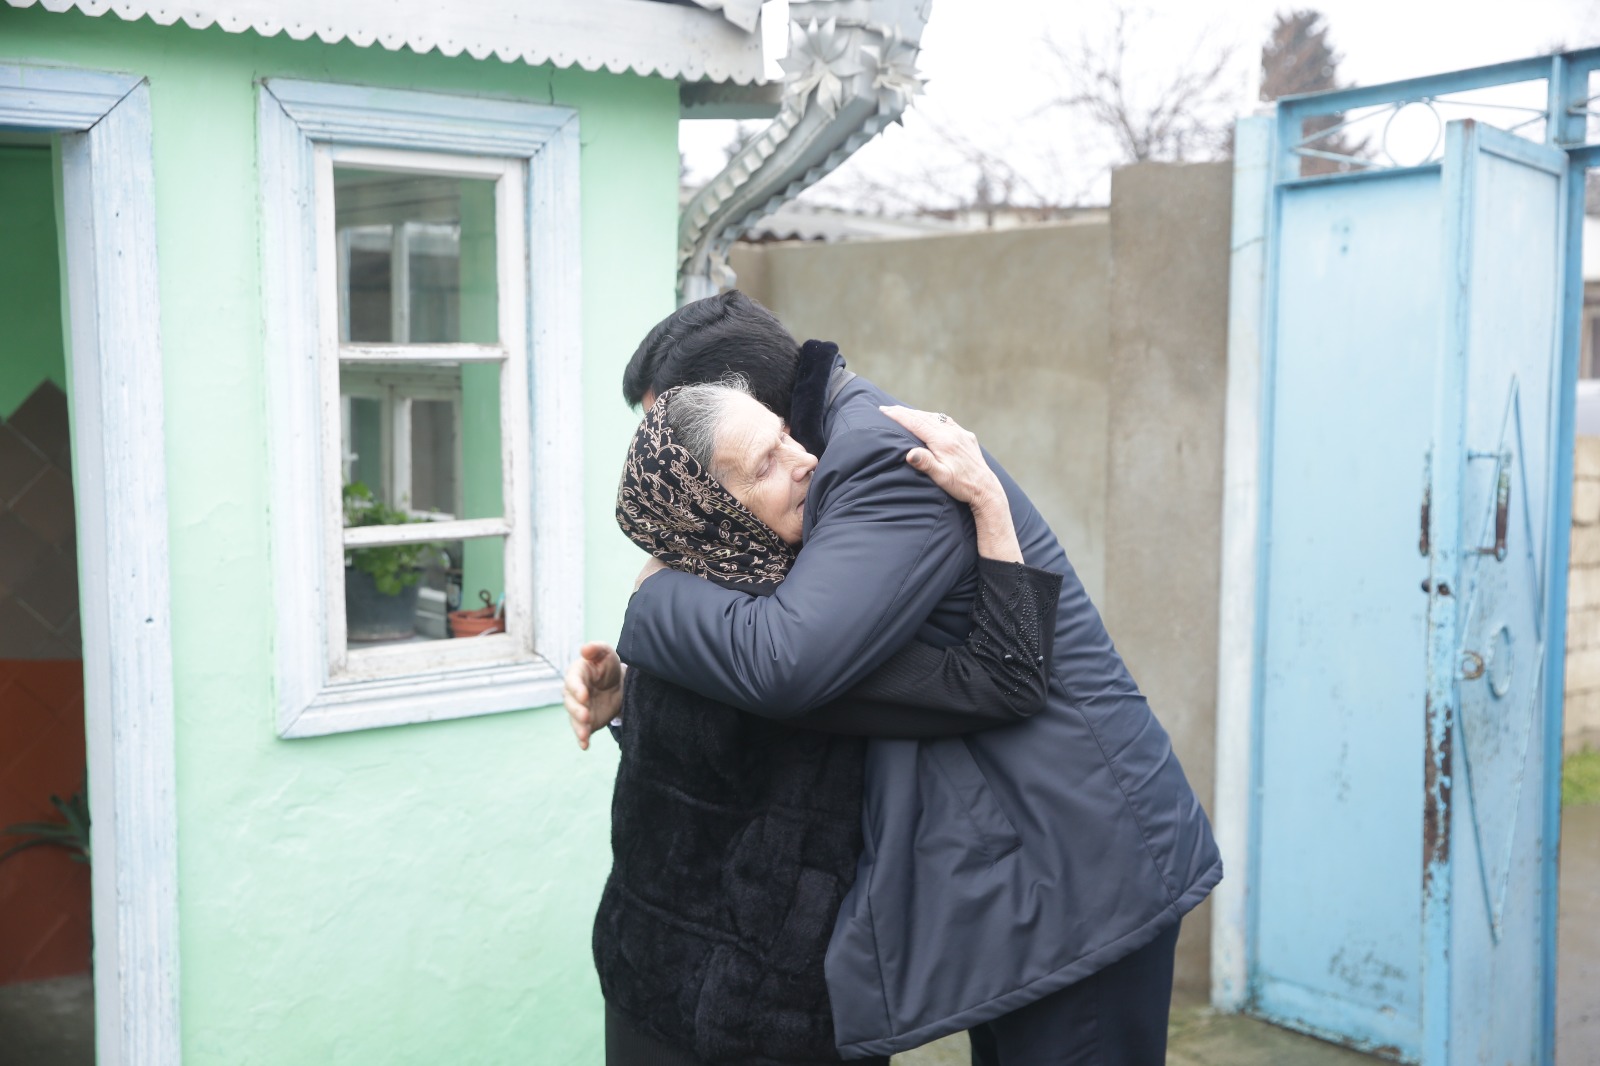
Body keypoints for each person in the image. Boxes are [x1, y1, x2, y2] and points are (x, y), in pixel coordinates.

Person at [569, 292, 1222, 1065]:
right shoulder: (755, 562)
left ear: (751, 403)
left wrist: (648, 599)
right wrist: (633, 703)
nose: (669, 454)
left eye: (683, 421)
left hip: (1074, 866)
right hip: (1014, 885)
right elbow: (756, 730)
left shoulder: (881, 458)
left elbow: (792, 665)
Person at [589, 379, 1064, 1066]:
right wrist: (990, 504)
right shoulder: (784, 641)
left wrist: (622, 703)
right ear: (714, 507)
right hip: (756, 1019)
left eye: (785, 434)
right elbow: (1008, 678)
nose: (806, 459)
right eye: (765, 464)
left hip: (638, 971)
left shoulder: (672, 596)